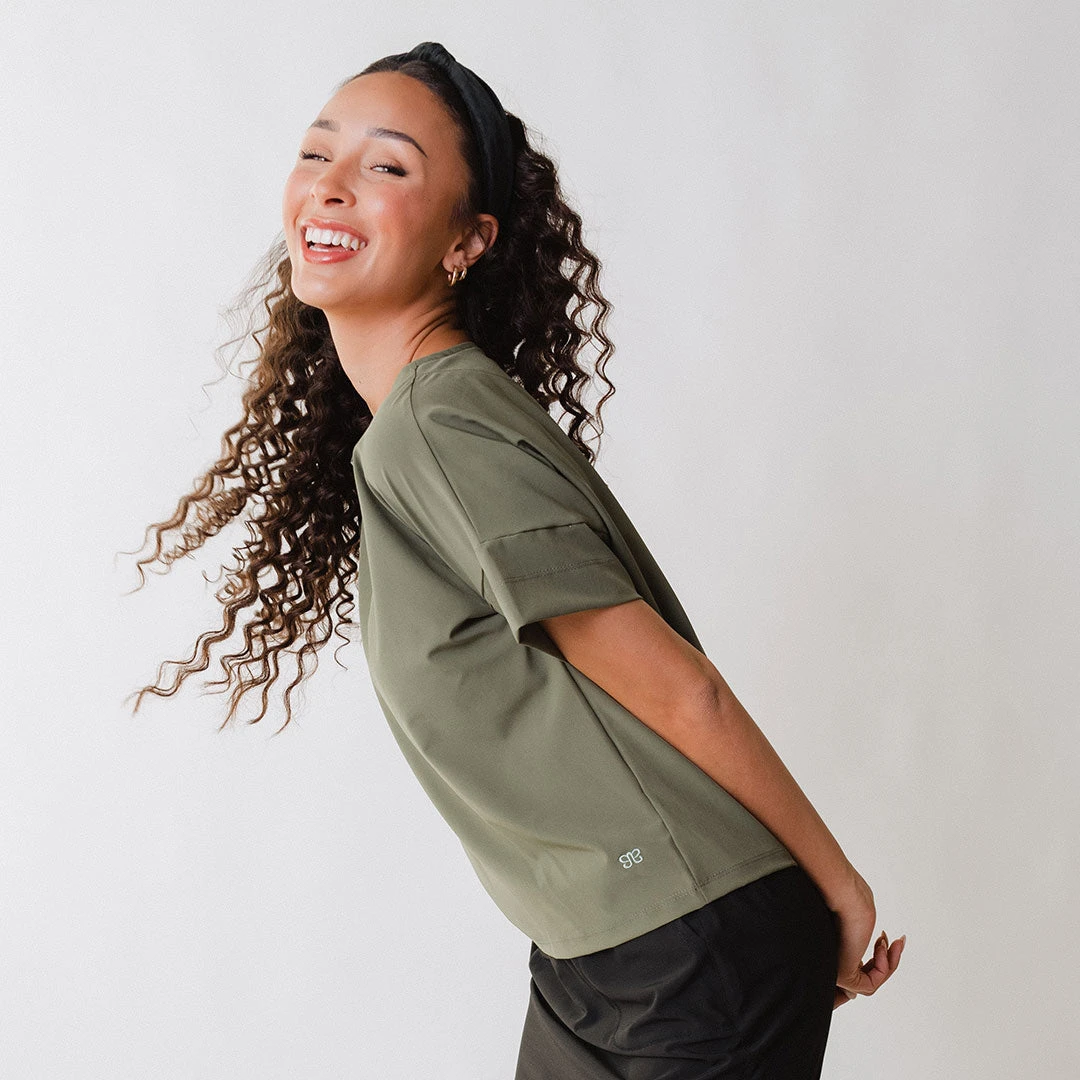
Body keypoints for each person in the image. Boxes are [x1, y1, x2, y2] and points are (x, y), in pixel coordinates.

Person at [126, 40, 905, 1079]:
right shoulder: (416, 427)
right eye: (317, 153)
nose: (332, 185)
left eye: (387, 165)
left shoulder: (440, 422)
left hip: (691, 943)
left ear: (468, 241)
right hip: (602, 951)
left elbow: (682, 691)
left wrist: (837, 886)